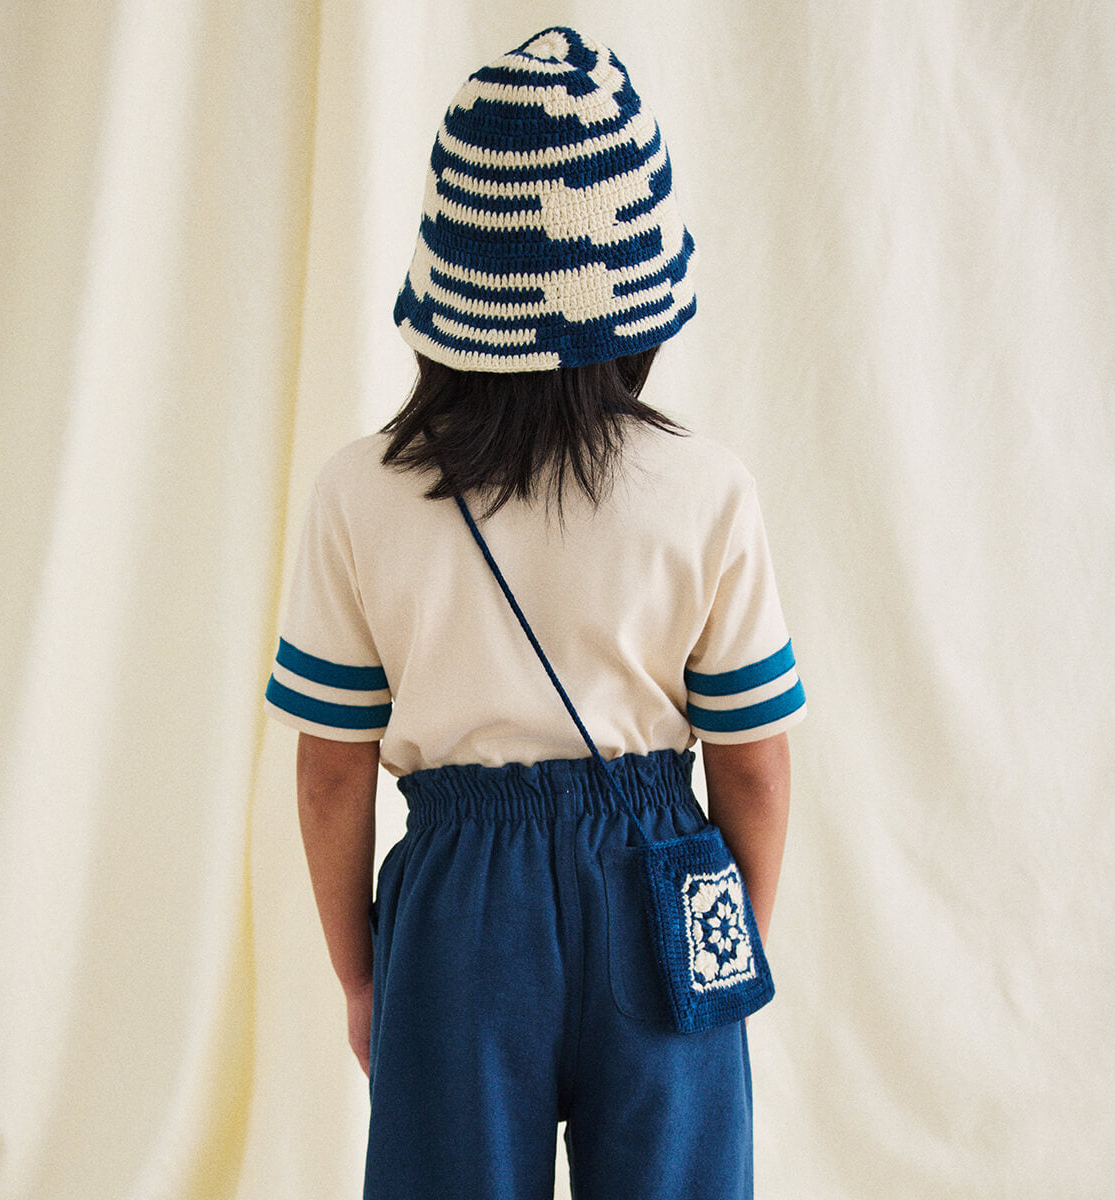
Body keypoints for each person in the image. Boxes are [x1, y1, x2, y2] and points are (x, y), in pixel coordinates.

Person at [264, 26, 806, 1200]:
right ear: (641, 295)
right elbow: (755, 768)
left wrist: (363, 980)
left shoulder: (359, 494)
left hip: (459, 899)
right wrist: (733, 943)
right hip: (660, 870)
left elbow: (329, 773)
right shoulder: (709, 491)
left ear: (451, 282)